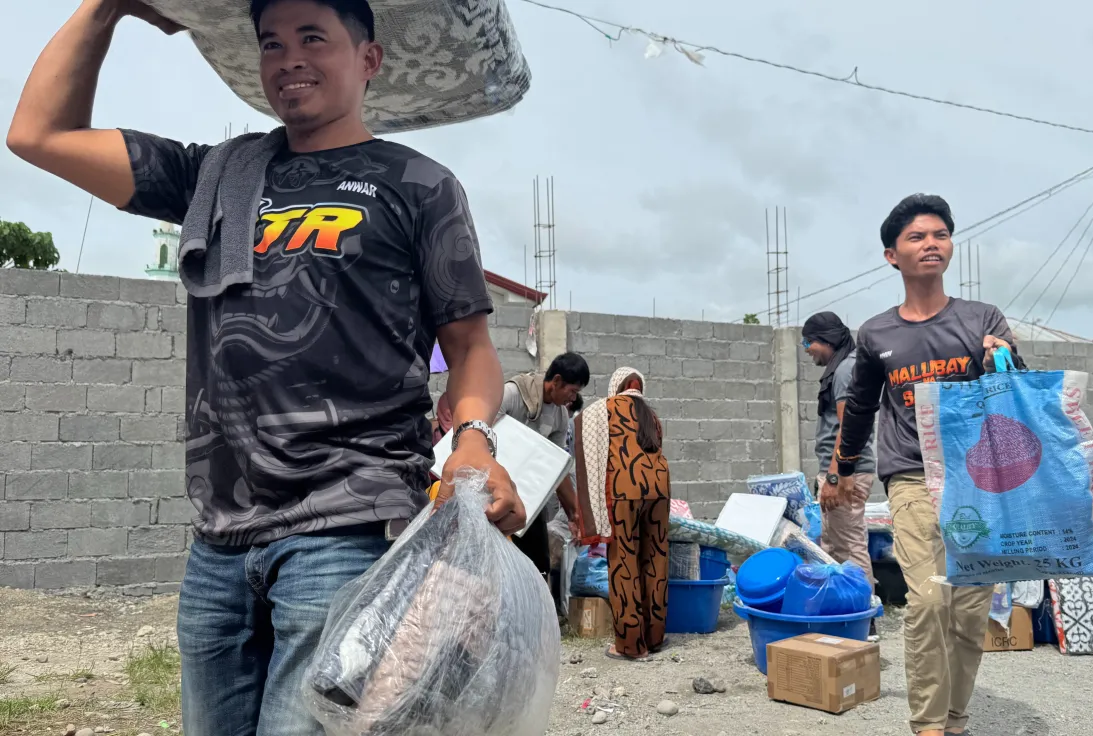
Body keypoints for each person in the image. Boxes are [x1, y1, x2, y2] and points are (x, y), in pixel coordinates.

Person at [7, 1, 523, 733]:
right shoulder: (214, 177)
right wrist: (105, 9)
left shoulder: (417, 184)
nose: (290, 59)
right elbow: (38, 135)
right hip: (219, 537)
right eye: (272, 43)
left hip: (346, 522)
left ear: (368, 60)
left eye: (314, 37)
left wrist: (474, 436)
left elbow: (469, 344)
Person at [834, 194, 1023, 736]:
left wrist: (999, 356)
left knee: (967, 613)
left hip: (979, 479)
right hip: (911, 475)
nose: (931, 244)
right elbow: (863, 407)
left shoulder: (981, 318)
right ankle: (928, 727)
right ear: (892, 255)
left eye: (940, 235)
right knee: (927, 602)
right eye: (917, 237)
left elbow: (1016, 390)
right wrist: (842, 470)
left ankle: (956, 718)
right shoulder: (876, 334)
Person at [573, 368, 671, 661]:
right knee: (655, 559)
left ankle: (630, 645)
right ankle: (654, 638)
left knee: (624, 562)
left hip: (624, 490)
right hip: (659, 491)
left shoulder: (605, 408)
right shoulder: (651, 416)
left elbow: (581, 429)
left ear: (616, 386)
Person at [500, 352, 590, 575]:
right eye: (572, 391)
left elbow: (556, 468)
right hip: (495, 486)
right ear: (557, 381)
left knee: (538, 563)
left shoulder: (560, 416)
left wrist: (574, 514)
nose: (572, 399)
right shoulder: (513, 394)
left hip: (527, 497)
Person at [803, 311, 876, 586]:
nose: (808, 350)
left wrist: (834, 476)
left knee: (849, 548)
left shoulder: (845, 369)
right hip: (841, 470)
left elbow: (848, 427)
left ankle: (865, 616)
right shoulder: (844, 366)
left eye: (807, 343)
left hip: (846, 473)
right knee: (834, 547)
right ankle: (845, 613)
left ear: (825, 339)